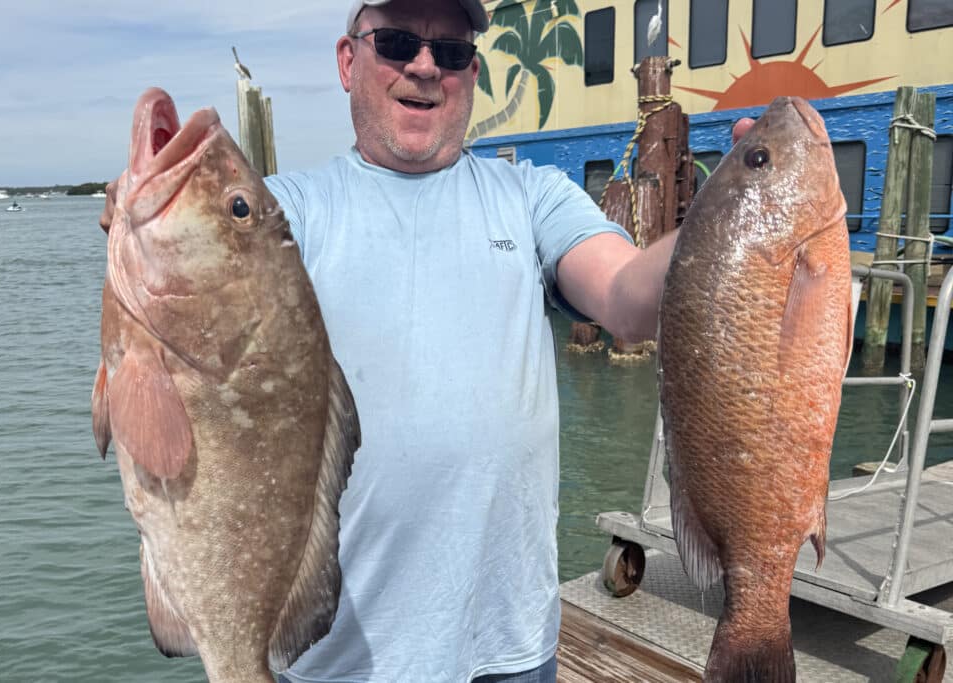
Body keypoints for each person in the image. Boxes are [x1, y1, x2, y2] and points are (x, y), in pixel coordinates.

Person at [96, 1, 753, 680]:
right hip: (339, 662)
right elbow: (176, 336)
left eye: (449, 51)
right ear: (349, 61)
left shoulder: (531, 196)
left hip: (512, 649)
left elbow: (627, 298)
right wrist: (150, 230)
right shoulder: (290, 213)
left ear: (472, 71)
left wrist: (735, 214)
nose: (423, 66)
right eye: (398, 42)